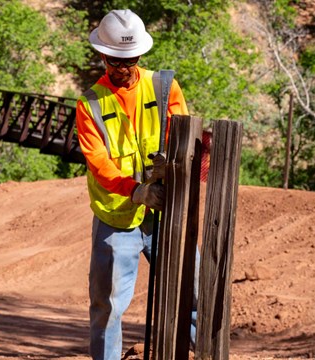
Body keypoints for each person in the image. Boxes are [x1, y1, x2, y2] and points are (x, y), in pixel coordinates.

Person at [75, 9, 200, 360]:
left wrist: (171, 163)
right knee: (108, 306)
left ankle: (193, 351)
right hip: (118, 217)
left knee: (193, 288)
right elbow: (98, 162)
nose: (124, 67)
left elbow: (184, 135)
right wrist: (135, 190)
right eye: (116, 60)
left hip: (165, 210)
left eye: (130, 59)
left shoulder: (163, 86)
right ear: (103, 56)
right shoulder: (90, 104)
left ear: (140, 54)